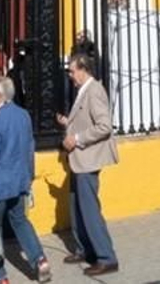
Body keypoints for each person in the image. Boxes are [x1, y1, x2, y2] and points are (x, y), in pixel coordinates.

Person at [0, 76, 52, 283]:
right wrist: (29, 176)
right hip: (18, 181)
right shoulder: (23, 115)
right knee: (20, 221)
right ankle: (40, 259)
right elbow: (29, 147)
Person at [57, 53, 119, 277]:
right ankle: (85, 249)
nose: (71, 76)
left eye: (72, 71)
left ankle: (106, 257)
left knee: (90, 209)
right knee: (76, 207)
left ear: (83, 69)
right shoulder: (83, 91)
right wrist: (68, 124)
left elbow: (104, 126)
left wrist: (77, 139)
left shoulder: (95, 91)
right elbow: (85, 119)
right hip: (78, 161)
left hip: (88, 159)